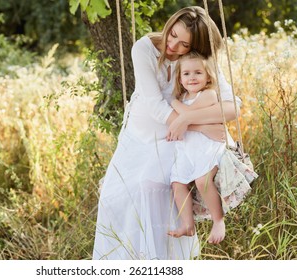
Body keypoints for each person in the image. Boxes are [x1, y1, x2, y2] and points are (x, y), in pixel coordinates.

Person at [93, 6, 240, 260]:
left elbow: (232, 106)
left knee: (154, 193)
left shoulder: (196, 60)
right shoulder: (144, 48)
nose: (173, 45)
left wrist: (189, 120)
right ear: (170, 24)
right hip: (139, 138)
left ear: (195, 47)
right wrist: (198, 124)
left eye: (184, 44)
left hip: (174, 142)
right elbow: (154, 104)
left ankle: (162, 262)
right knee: (116, 197)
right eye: (173, 34)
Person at [168, 51, 228, 244]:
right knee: (177, 184)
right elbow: (184, 119)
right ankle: (187, 225)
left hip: (207, 146)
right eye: (186, 74)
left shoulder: (208, 95)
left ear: (208, 76)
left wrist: (174, 103)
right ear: (179, 78)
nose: (192, 77)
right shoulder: (183, 97)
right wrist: (178, 105)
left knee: (202, 181)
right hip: (186, 149)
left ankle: (218, 221)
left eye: (197, 73)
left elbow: (186, 115)